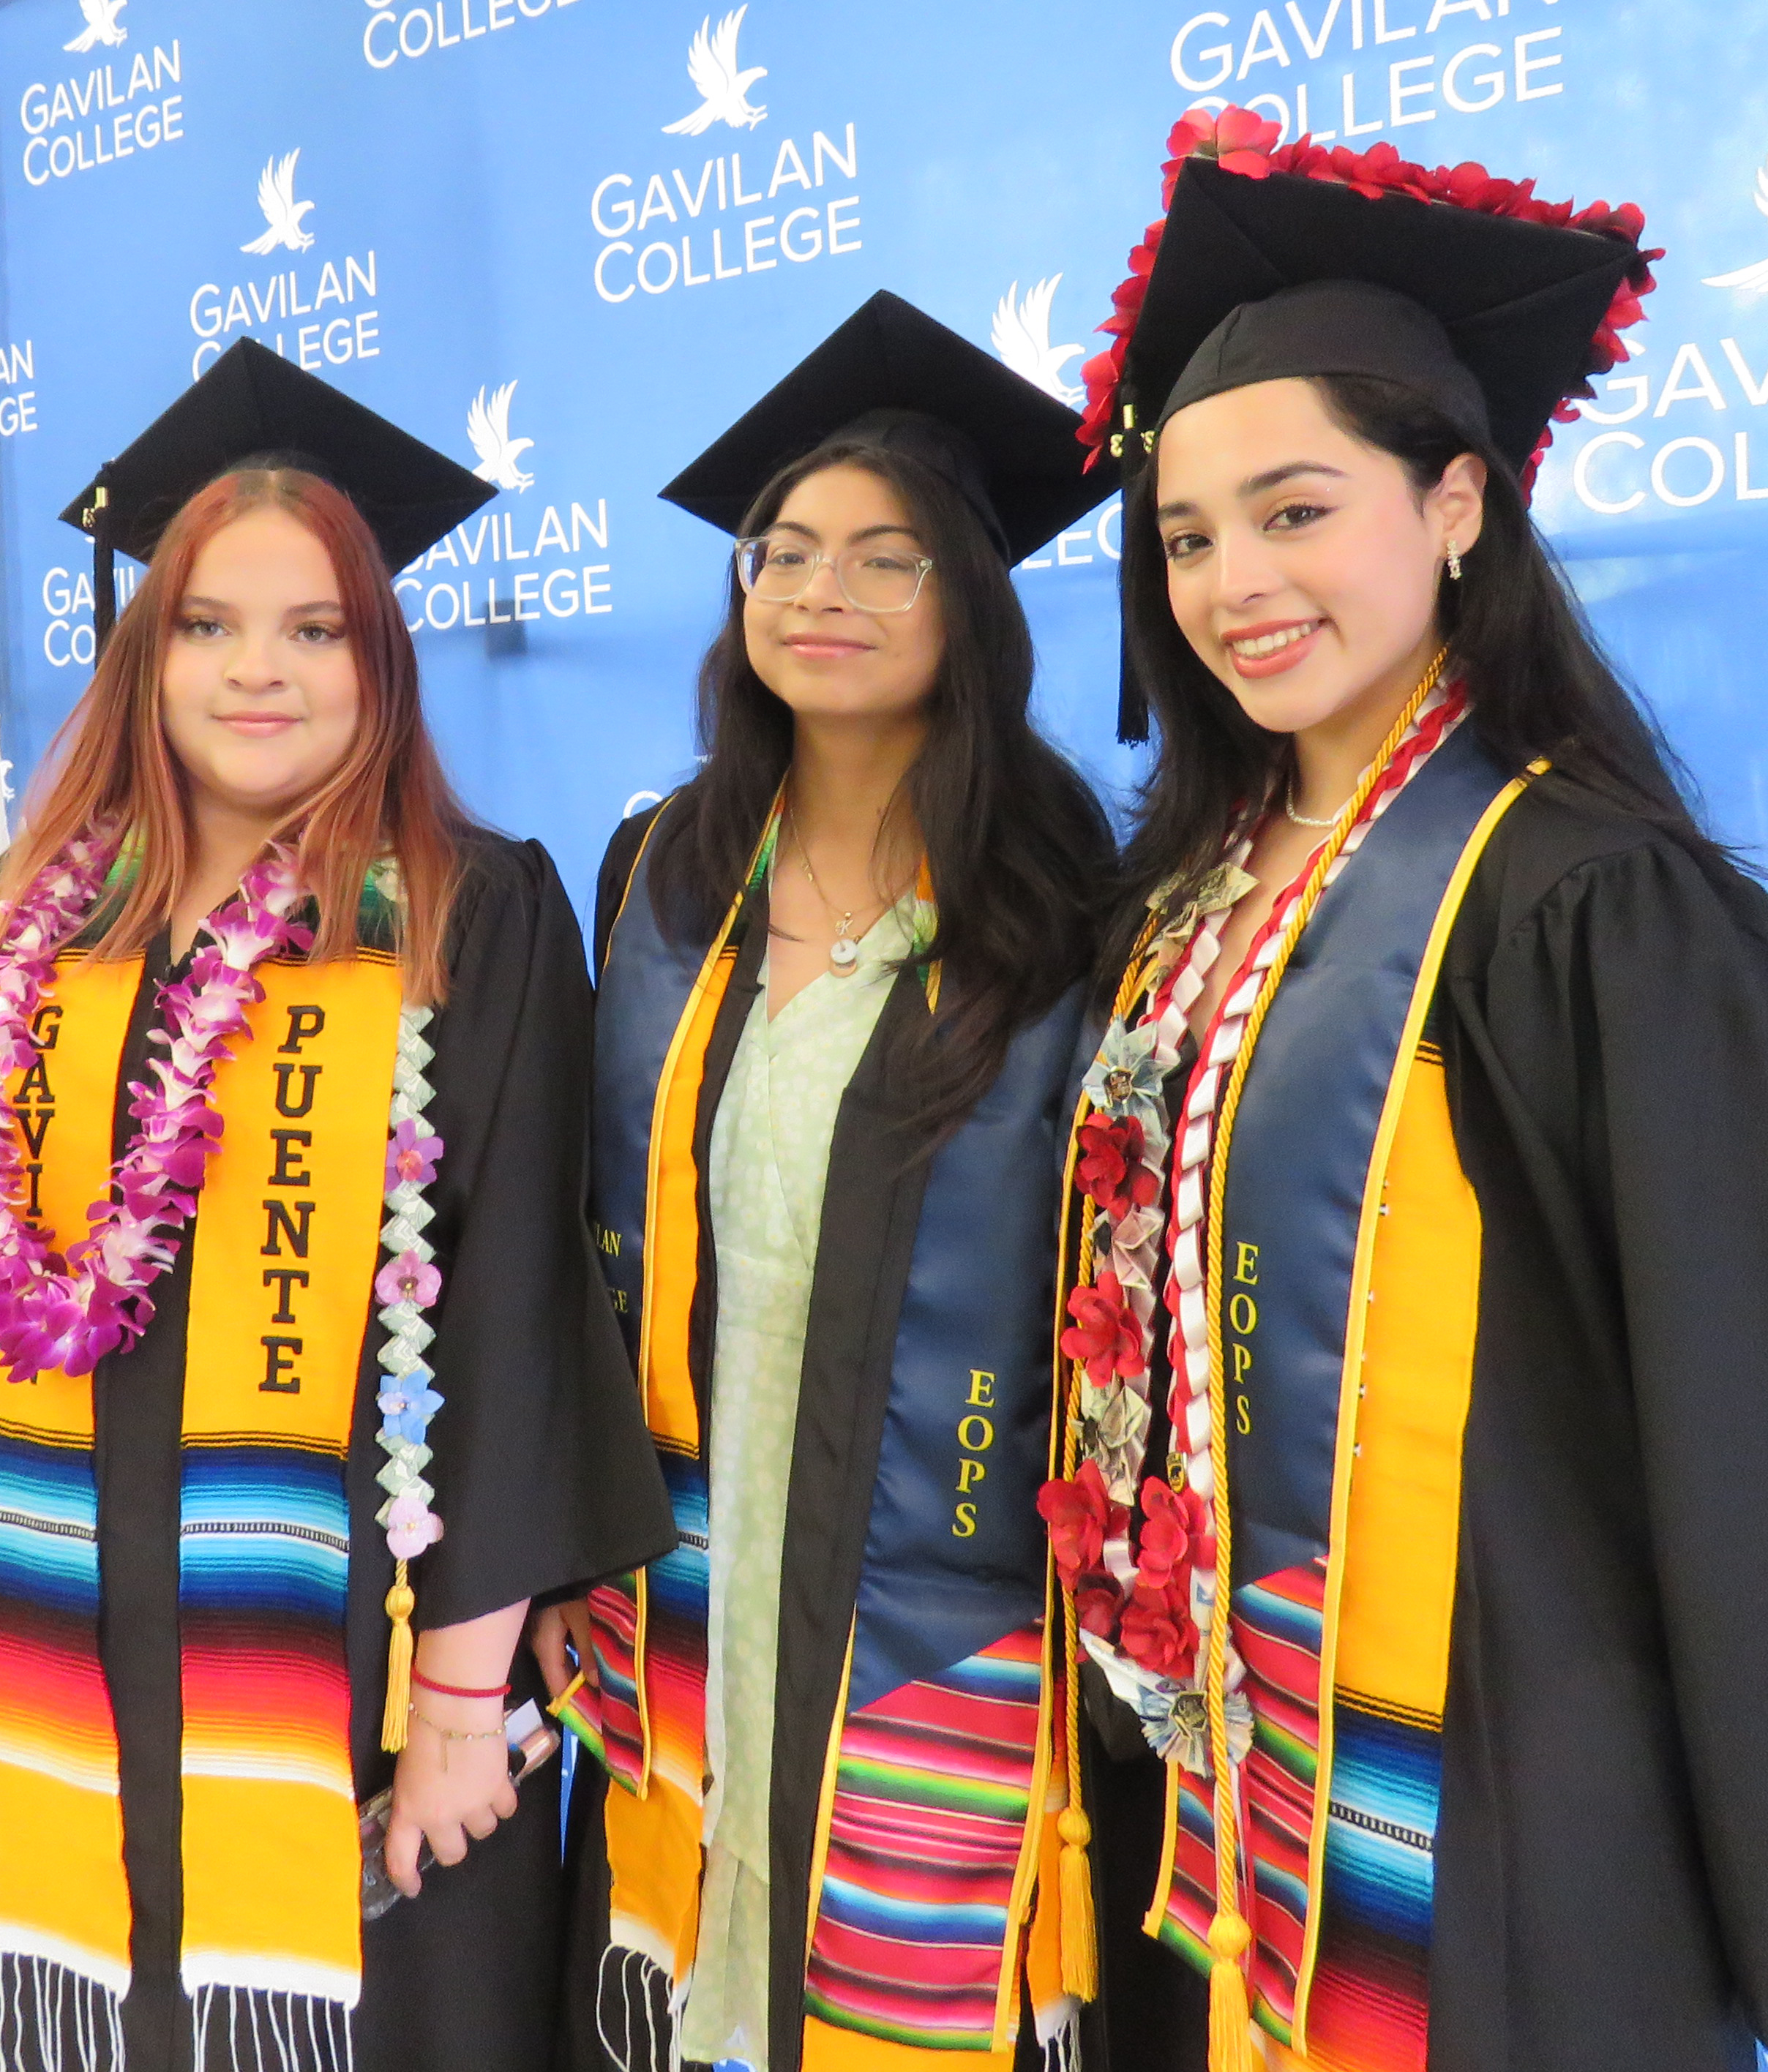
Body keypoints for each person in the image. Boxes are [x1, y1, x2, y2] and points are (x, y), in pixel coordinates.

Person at [1043, 109, 1768, 2072]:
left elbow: (1731, 1417)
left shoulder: (1584, 898)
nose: (1231, 583)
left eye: (1297, 511)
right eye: (1187, 537)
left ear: (1456, 505)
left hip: (1510, 1795)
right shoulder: (1179, 900)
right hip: (1214, 1797)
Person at [0, 340, 673, 2072]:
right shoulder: (43, 945)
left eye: (315, 632)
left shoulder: (464, 917)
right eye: (213, 624)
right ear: (146, 653)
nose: (259, 672)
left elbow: (518, 1311)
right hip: (59, 1657)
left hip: (355, 1672)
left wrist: (460, 1704)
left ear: (378, 664)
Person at [534, 291, 1118, 2072]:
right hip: (686, 1569)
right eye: (780, 554)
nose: (818, 595)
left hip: (932, 1596)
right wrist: (562, 1531)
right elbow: (570, 1243)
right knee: (674, 1990)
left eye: (884, 560)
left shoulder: (1064, 903)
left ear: (972, 604)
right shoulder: (659, 867)